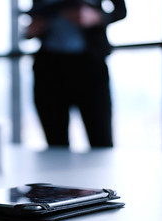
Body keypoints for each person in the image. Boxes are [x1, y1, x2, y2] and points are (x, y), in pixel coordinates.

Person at [26, 0, 126, 147]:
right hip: (49, 69)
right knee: (55, 145)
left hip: (90, 66)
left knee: (101, 141)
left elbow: (120, 11)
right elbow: (33, 22)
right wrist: (33, 29)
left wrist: (95, 17)